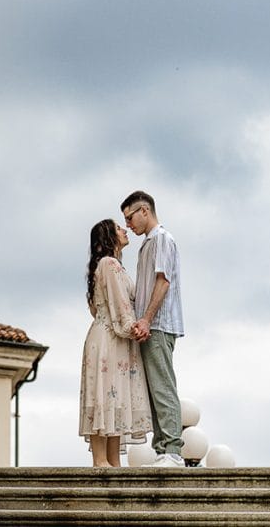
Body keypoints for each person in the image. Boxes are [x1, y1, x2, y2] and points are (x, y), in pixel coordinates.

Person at [79, 219, 151, 467]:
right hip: (110, 337)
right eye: (119, 228)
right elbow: (120, 303)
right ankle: (101, 461)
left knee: (114, 395)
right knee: (106, 393)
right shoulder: (109, 264)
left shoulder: (109, 265)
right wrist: (133, 328)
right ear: (109, 236)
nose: (125, 230)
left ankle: (112, 460)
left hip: (112, 337)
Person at [121, 190, 186, 468]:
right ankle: (163, 450)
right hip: (151, 325)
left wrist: (146, 319)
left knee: (163, 387)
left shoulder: (162, 239)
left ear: (144, 211)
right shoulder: (147, 244)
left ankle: (172, 451)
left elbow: (163, 281)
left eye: (129, 217)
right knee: (154, 390)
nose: (127, 224)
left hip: (159, 325)